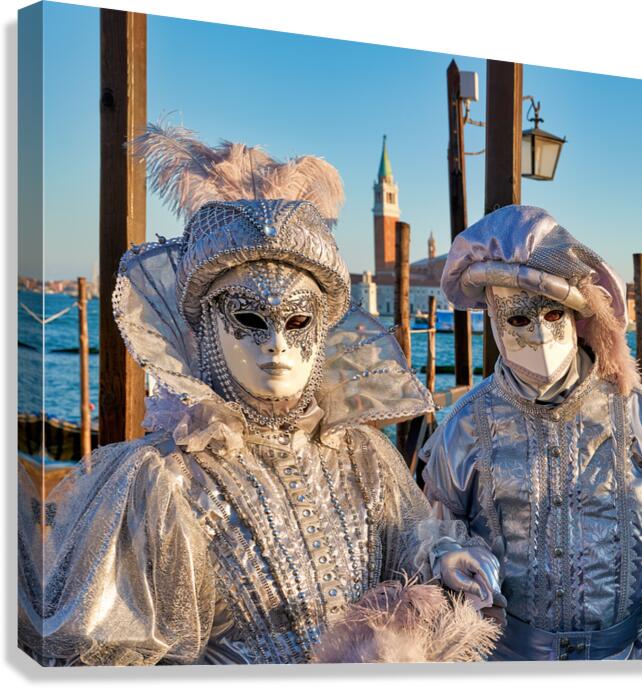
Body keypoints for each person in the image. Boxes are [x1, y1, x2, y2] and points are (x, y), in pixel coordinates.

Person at [18, 124, 497, 666]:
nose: (276, 344)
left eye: (297, 322)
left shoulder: (363, 456)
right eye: (249, 318)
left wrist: (443, 555)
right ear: (205, 329)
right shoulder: (164, 482)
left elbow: (409, 536)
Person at [420, 205, 642, 661]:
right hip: (507, 665)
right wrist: (451, 556)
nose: (539, 335)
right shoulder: (466, 425)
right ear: (497, 324)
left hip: (629, 661)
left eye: (552, 316)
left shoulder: (636, 413)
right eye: (519, 320)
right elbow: (431, 527)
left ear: (574, 316)